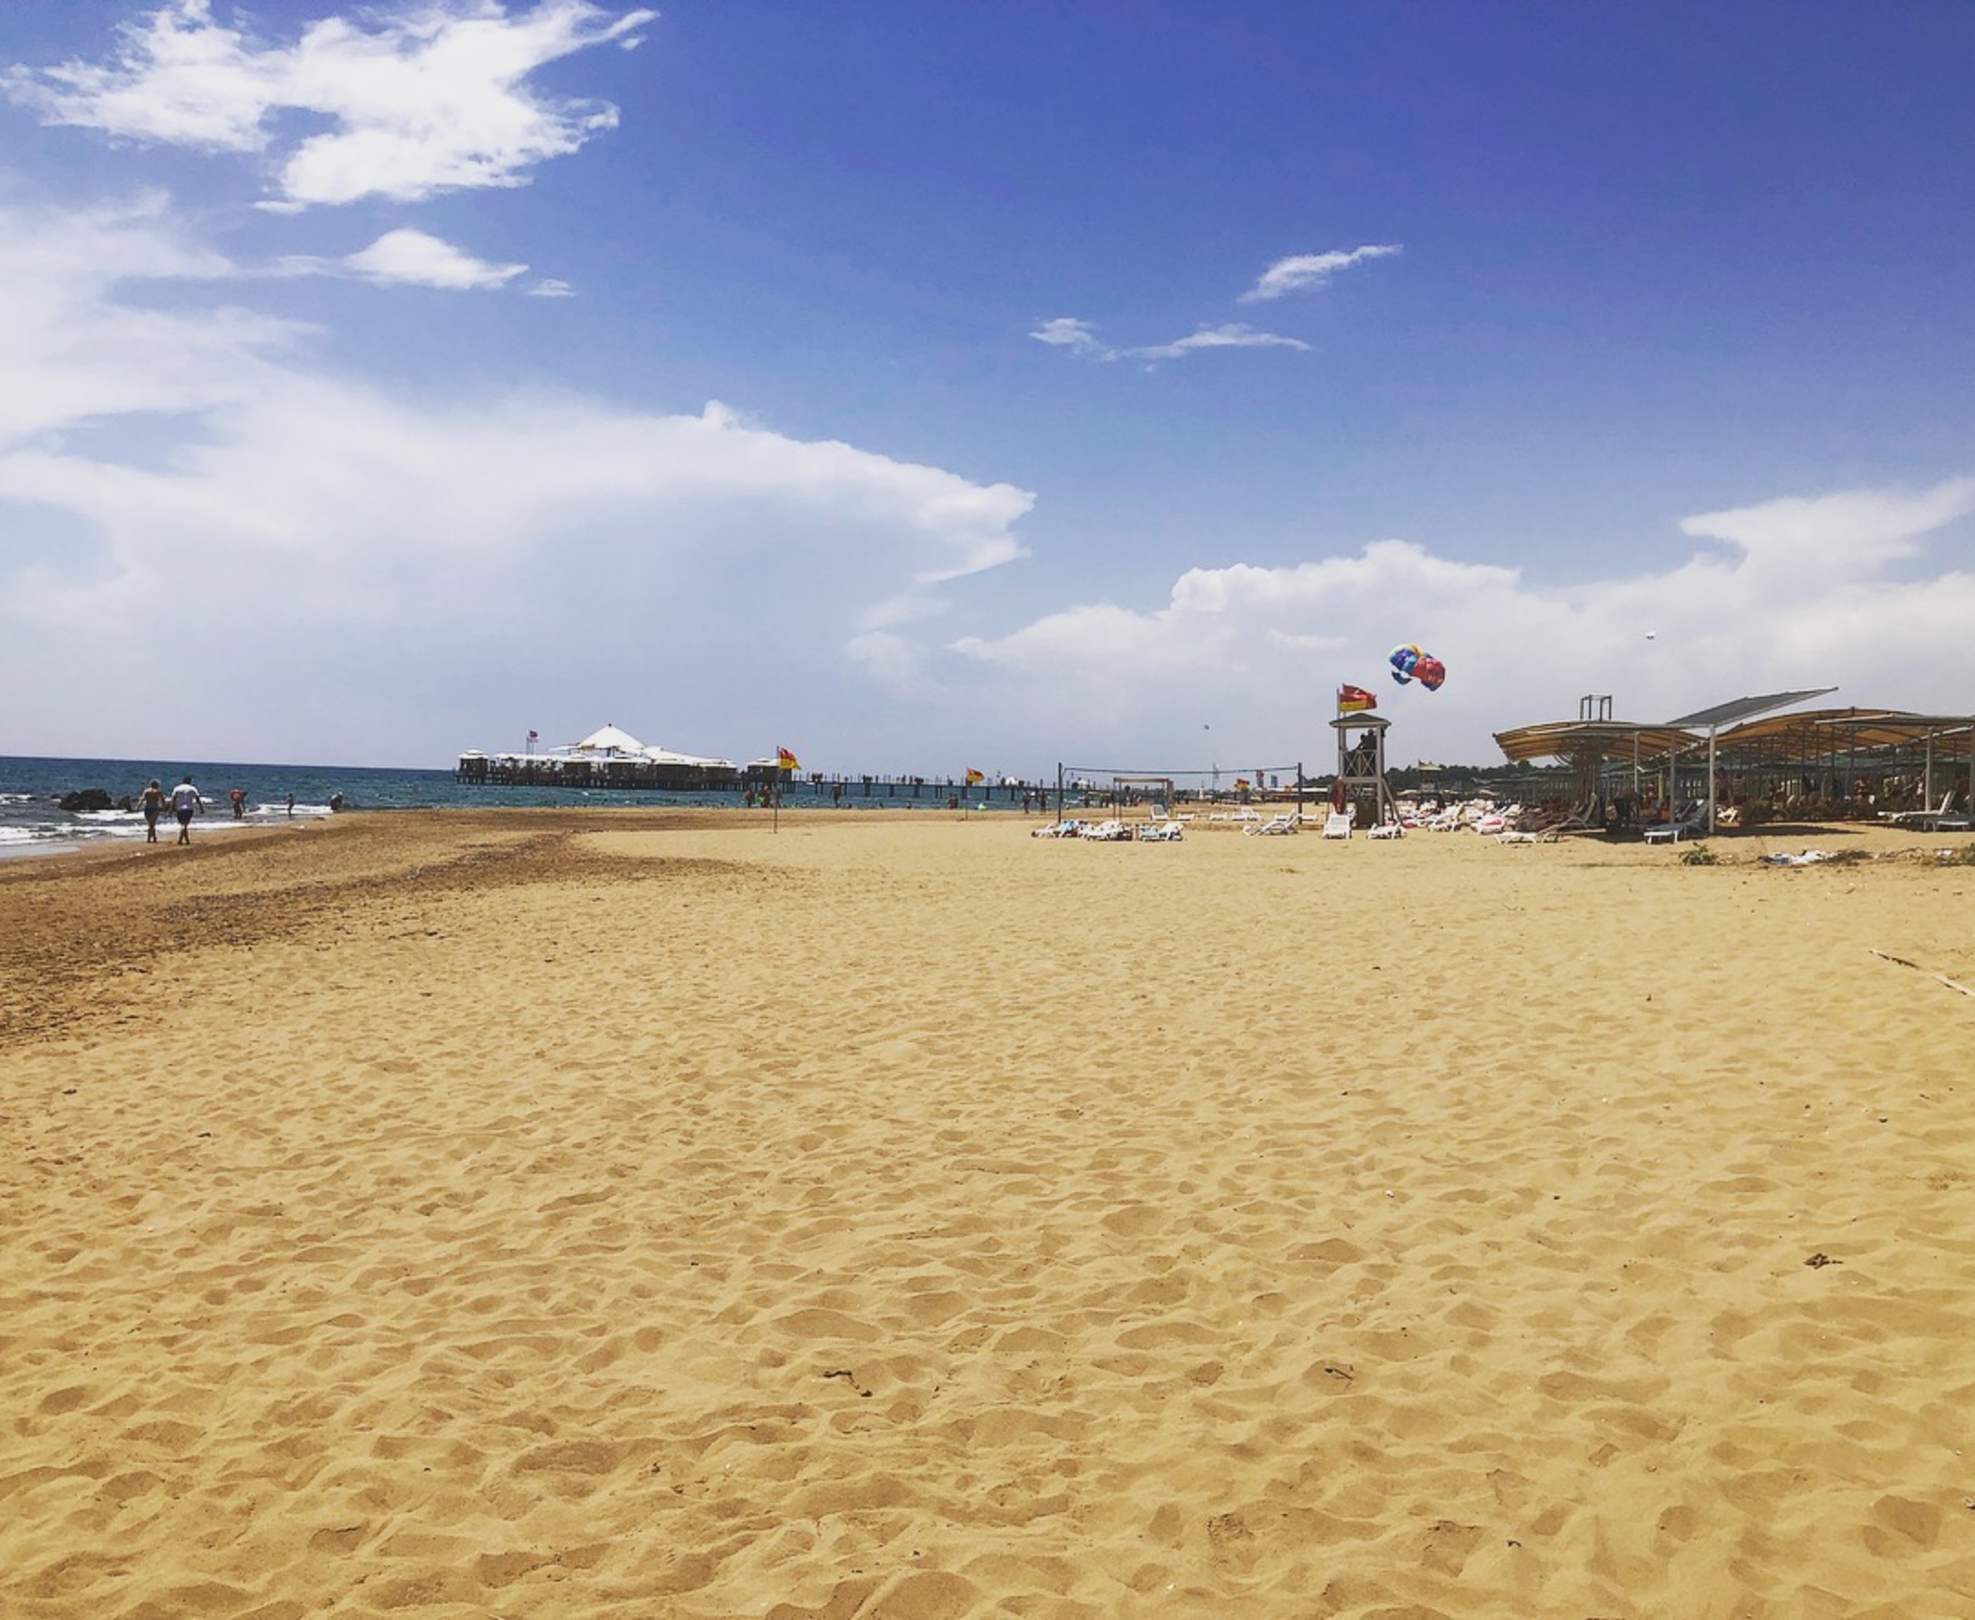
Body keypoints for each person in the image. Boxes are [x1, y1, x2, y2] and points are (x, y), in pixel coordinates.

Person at [170, 776, 204, 844]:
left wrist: (171, 809)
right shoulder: (192, 788)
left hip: (179, 809)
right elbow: (197, 799)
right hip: (189, 808)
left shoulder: (177, 788)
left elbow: (173, 800)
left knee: (183, 824)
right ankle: (182, 840)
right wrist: (201, 808)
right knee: (185, 825)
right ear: (190, 781)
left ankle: (186, 840)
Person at [138, 779, 165, 844]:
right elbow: (162, 800)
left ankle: (151, 838)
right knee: (152, 824)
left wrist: (138, 806)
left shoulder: (146, 791)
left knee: (150, 824)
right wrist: (164, 807)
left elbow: (142, 799)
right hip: (155, 808)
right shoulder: (158, 792)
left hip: (147, 808)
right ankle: (152, 838)